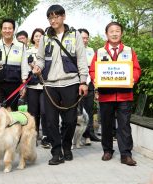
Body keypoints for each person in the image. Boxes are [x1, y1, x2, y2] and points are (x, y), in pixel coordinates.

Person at [32, 5, 89, 165]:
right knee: (50, 121)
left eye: (56, 16)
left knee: (70, 120)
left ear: (63, 17)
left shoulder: (74, 34)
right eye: (50, 17)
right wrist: (38, 67)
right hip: (49, 84)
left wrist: (83, 81)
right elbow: (41, 58)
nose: (53, 20)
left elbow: (81, 59)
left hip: (71, 82)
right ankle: (56, 152)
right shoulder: (45, 37)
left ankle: (66, 146)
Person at [89, 22, 141, 166]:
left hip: (125, 95)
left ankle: (126, 154)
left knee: (124, 125)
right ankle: (107, 150)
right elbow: (93, 70)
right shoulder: (99, 52)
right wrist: (95, 79)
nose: (114, 33)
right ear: (106, 34)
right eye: (111, 31)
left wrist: (133, 77)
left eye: (117, 31)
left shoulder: (129, 51)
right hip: (106, 95)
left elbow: (136, 68)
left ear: (121, 33)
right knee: (106, 124)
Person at [0, 18, 28, 111]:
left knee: (13, 112)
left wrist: (23, 85)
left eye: (9, 28)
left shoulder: (21, 46)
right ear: (1, 30)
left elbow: (24, 66)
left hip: (15, 84)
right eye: (4, 28)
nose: (7, 31)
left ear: (13, 30)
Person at [24, 28, 50, 148]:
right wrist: (24, 83)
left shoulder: (48, 50)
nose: (38, 38)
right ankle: (33, 135)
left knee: (45, 111)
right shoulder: (28, 51)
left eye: (41, 36)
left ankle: (46, 136)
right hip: (32, 85)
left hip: (45, 85)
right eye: (36, 36)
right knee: (33, 112)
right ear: (32, 38)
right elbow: (24, 68)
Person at [77, 28, 101, 145]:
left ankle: (89, 134)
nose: (85, 40)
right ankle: (77, 135)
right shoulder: (74, 50)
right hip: (78, 84)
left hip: (90, 84)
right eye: (83, 38)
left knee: (89, 110)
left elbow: (94, 68)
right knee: (79, 111)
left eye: (87, 38)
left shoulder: (92, 51)